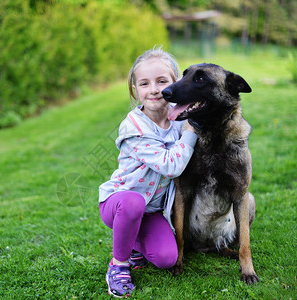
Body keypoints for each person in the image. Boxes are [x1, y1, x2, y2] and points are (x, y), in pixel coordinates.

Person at [98, 46, 198, 298]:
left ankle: (134, 244)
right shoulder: (134, 128)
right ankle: (119, 265)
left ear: (175, 84)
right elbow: (171, 165)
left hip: (151, 210)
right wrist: (190, 134)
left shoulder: (178, 119)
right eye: (144, 83)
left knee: (166, 258)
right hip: (120, 203)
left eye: (162, 81)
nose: (153, 89)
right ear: (135, 90)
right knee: (133, 202)